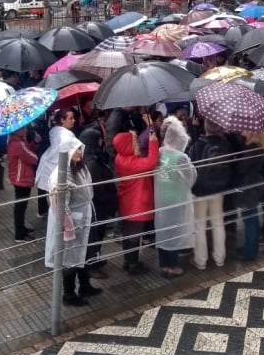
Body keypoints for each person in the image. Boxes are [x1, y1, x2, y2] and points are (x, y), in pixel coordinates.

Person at [44, 140, 101, 306]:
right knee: (70, 257)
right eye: (75, 150)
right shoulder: (61, 175)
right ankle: (69, 294)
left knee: (85, 253)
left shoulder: (79, 167)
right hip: (73, 222)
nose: (79, 153)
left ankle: (85, 285)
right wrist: (68, 227)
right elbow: (61, 205)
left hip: (85, 216)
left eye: (80, 149)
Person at [188, 119, 235, 270]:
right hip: (219, 188)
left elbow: (191, 167)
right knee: (218, 223)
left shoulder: (198, 144)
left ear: (205, 127)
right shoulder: (225, 144)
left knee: (199, 225)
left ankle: (201, 261)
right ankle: (220, 258)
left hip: (201, 190)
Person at [154, 117, 196, 278]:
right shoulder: (181, 157)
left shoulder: (159, 152)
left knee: (164, 230)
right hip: (177, 199)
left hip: (161, 198)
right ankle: (172, 266)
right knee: (174, 231)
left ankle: (164, 264)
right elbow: (191, 178)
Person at [114, 125, 159, 276]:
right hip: (136, 204)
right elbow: (152, 161)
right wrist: (152, 137)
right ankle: (133, 264)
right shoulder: (131, 163)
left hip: (128, 202)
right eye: (134, 141)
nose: (137, 143)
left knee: (129, 233)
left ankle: (129, 261)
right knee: (134, 235)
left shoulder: (121, 158)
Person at [79, 110, 115, 279]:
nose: (102, 141)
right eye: (99, 139)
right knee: (94, 234)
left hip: (100, 205)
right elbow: (97, 187)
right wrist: (108, 199)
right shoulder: (91, 162)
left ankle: (95, 258)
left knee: (98, 234)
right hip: (97, 205)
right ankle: (91, 265)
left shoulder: (93, 158)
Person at [36, 109, 82, 220]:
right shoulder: (66, 135)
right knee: (56, 199)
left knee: (52, 196)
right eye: (70, 118)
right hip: (52, 166)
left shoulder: (55, 130)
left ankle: (53, 217)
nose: (74, 120)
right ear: (62, 120)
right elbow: (67, 145)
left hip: (48, 164)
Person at [233, 129, 264, 262]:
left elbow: (241, 169)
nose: (241, 130)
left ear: (251, 132)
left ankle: (249, 253)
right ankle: (251, 248)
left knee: (249, 220)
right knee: (252, 218)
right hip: (255, 185)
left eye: (244, 128)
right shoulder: (257, 146)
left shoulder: (251, 149)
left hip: (249, 187)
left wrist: (236, 160)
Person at [7, 126, 39, 242]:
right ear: (15, 130)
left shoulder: (18, 141)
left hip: (20, 177)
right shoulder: (17, 143)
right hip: (21, 178)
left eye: (25, 127)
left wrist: (34, 142)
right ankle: (19, 234)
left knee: (21, 206)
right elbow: (31, 157)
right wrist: (37, 157)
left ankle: (21, 228)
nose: (25, 130)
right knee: (20, 207)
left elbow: (27, 150)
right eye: (21, 128)